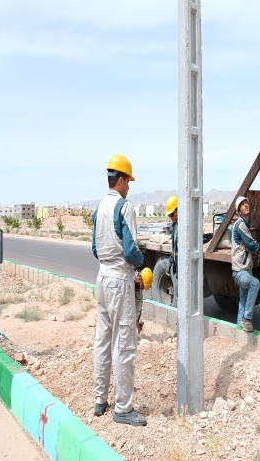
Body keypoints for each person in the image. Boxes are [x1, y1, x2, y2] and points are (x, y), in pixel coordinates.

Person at [91, 153, 147, 426]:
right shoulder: (124, 207)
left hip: (101, 279)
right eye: (128, 182)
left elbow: (94, 248)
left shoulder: (98, 207)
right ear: (121, 179)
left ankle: (101, 400)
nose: (128, 187)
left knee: (103, 341)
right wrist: (141, 262)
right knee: (124, 346)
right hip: (119, 282)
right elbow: (130, 249)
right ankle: (123, 409)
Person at [231, 196, 260, 332]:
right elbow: (252, 246)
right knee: (255, 283)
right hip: (240, 271)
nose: (246, 205)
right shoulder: (240, 224)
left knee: (242, 301)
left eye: (246, 202)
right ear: (239, 211)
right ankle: (247, 318)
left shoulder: (244, 224)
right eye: (242, 204)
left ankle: (239, 331)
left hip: (245, 270)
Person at [165, 195, 178, 305]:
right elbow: (174, 247)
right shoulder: (174, 226)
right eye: (169, 215)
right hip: (177, 267)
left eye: (172, 214)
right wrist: (170, 261)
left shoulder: (184, 227)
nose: (171, 217)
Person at [135, 267, 153, 334]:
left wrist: (136, 319)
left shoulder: (139, 290)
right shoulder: (129, 280)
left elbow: (138, 304)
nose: (142, 289)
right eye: (142, 286)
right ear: (139, 279)